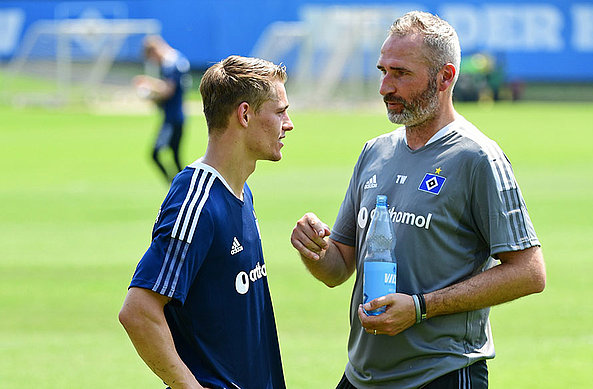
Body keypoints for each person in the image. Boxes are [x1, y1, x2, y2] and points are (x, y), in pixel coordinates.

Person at [290, 11, 546, 389]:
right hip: (361, 376)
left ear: (445, 77)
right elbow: (339, 268)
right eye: (383, 71)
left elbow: (529, 272)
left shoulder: (477, 157)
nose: (385, 87)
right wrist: (314, 250)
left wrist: (421, 308)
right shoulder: (373, 152)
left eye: (401, 73)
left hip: (441, 374)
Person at [120, 55, 293, 389]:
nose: (288, 124)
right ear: (245, 114)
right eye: (280, 112)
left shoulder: (241, 191)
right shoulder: (196, 201)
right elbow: (139, 311)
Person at [134, 35, 191, 182]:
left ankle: (175, 187)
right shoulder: (177, 59)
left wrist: (150, 89)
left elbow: (168, 90)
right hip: (175, 116)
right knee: (175, 157)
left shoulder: (172, 62)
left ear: (154, 51)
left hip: (173, 118)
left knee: (156, 153)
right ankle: (180, 188)